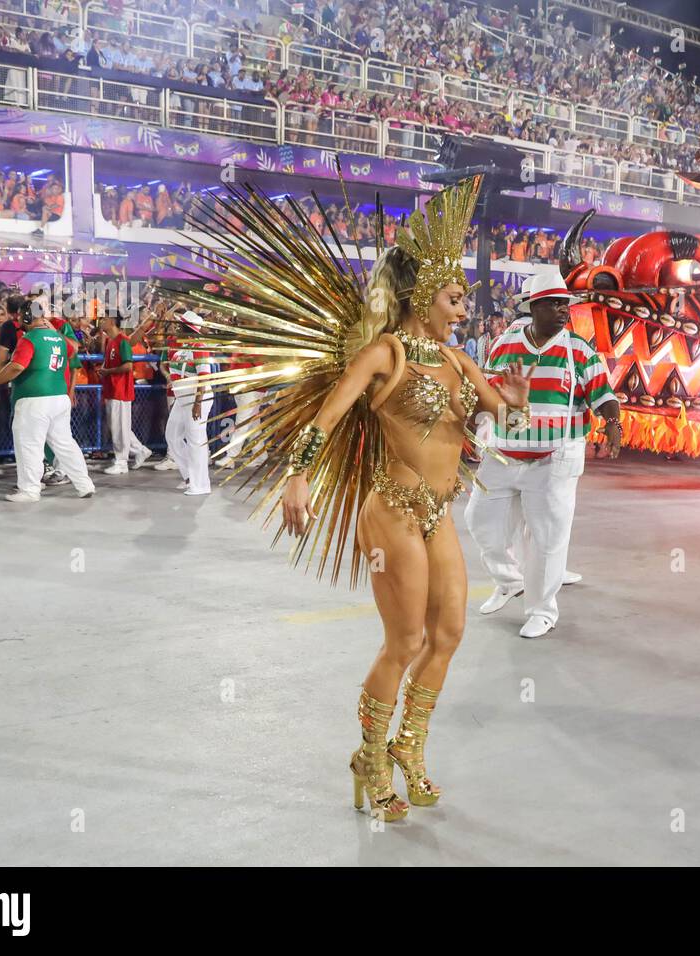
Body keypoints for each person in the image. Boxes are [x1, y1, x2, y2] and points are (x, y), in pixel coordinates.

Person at [175, 178, 532, 824]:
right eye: (455, 299)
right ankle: (370, 757)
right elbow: (327, 417)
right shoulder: (385, 353)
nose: (463, 311)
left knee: (449, 632)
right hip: (392, 509)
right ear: (424, 297)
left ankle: (409, 747)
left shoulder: (456, 361)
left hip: (438, 513)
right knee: (406, 639)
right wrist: (298, 475)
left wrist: (515, 396)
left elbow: (499, 407)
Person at [465, 266, 623, 638]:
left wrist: (612, 424)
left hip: (554, 458)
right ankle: (509, 580)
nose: (563, 310)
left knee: (546, 537)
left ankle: (541, 610)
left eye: (565, 304)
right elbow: (487, 393)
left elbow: (603, 395)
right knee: (480, 521)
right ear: (533, 308)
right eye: (554, 304)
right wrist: (476, 422)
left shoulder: (579, 350)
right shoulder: (505, 343)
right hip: (504, 452)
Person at [0, 307, 95, 502]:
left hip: (33, 399)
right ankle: (84, 484)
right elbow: (73, 350)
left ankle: (29, 490)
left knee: (29, 445)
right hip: (59, 398)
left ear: (26, 317)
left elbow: (17, 366)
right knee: (65, 444)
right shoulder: (59, 337)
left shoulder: (29, 339)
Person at [164, 314, 215, 495]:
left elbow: (204, 376)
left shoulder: (199, 347)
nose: (177, 327)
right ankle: (189, 476)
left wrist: (198, 403)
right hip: (183, 399)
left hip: (196, 399)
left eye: (180, 325)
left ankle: (200, 485)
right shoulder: (182, 346)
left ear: (188, 328)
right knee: (172, 435)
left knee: (196, 441)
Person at [96, 313, 152, 474]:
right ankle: (140, 450)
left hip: (120, 390)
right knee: (119, 426)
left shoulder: (122, 341)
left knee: (119, 427)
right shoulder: (111, 341)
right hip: (112, 389)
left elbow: (128, 366)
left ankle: (121, 462)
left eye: (104, 319)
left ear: (112, 321)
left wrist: (107, 371)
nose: (100, 322)